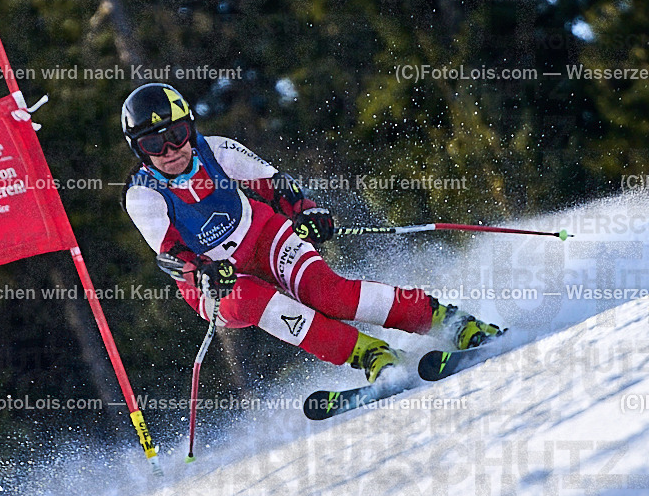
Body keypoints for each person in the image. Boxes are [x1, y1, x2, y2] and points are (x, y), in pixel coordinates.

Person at [120, 83, 503, 383]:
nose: (170, 150)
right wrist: (201, 272)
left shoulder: (217, 151)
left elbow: (277, 187)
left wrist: (308, 211)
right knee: (252, 300)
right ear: (139, 149)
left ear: (191, 128)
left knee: (328, 294)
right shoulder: (143, 194)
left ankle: (454, 323)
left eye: (177, 134)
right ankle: (372, 355)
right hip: (214, 282)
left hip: (262, 237)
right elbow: (171, 253)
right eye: (154, 143)